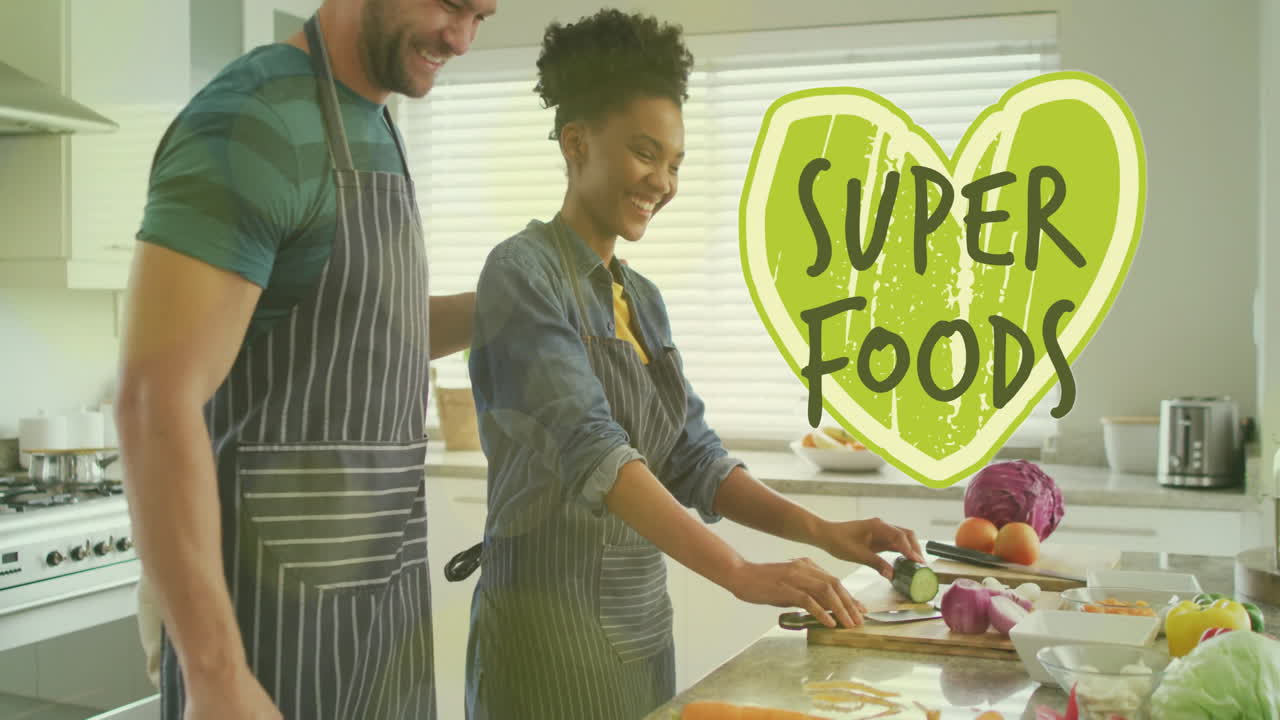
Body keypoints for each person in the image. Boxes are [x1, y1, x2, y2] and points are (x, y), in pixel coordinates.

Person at [458, 9, 924, 720]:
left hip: (638, 628)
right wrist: (736, 571)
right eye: (646, 153)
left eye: (674, 162)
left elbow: (691, 455)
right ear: (576, 143)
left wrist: (822, 531)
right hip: (543, 639)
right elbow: (595, 452)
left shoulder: (640, 299)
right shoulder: (522, 274)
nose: (663, 181)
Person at [114, 0, 496, 718]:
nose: (463, 38)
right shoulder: (252, 120)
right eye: (451, 4)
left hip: (383, 616)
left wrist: (507, 303)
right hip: (264, 634)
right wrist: (216, 673)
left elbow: (362, 326)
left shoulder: (376, 119)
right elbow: (152, 399)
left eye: (483, 16)